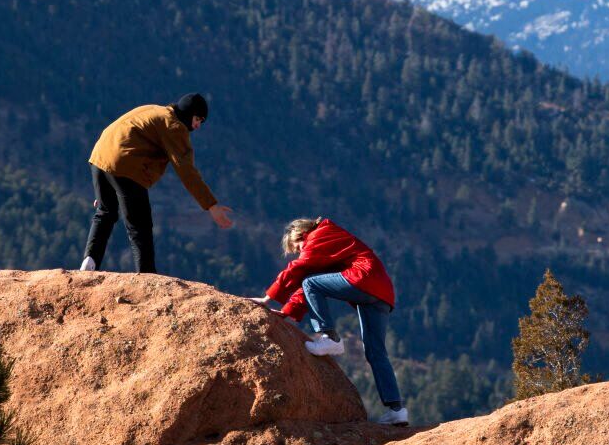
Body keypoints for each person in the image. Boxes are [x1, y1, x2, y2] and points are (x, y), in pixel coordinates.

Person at [258, 217, 407, 426]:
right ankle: (396, 411)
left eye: (298, 246)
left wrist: (267, 297)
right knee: (376, 352)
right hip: (380, 292)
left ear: (302, 235)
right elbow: (308, 285)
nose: (301, 251)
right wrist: (286, 311)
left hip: (364, 279)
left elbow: (299, 270)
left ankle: (330, 337)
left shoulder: (320, 235)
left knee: (311, 282)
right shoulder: (327, 242)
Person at [80, 94, 233, 274]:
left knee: (105, 212)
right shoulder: (175, 126)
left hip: (100, 157)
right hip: (126, 166)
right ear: (189, 113)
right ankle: (147, 277)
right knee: (140, 226)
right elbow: (186, 171)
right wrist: (211, 205)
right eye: (198, 119)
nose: (198, 126)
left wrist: (105, 189)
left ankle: (89, 262)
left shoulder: (153, 109)